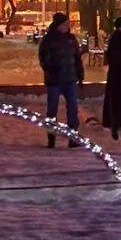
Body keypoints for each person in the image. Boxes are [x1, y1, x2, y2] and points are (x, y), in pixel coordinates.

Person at [37, 12, 84, 148]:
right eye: (65, 24)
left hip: (70, 79)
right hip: (55, 80)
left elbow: (77, 58)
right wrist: (52, 70)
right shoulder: (48, 40)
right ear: (58, 25)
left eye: (68, 24)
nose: (67, 26)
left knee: (73, 110)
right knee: (52, 110)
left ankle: (73, 137)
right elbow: (43, 59)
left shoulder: (71, 39)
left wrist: (80, 76)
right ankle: (51, 137)